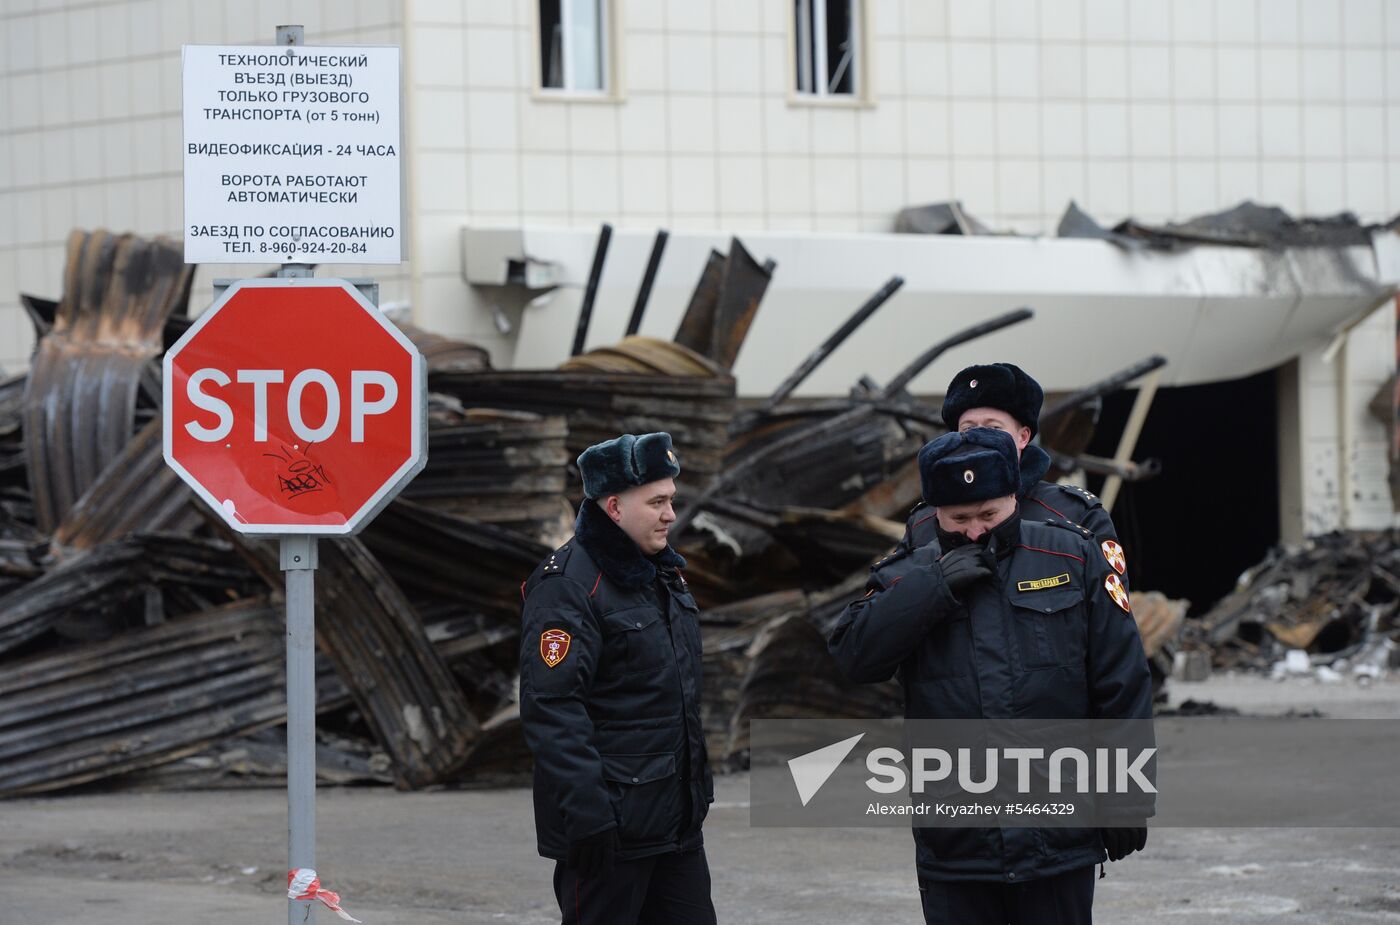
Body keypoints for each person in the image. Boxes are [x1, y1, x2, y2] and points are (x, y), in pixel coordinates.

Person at [828, 427, 1154, 925]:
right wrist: (932, 588)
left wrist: (1125, 799)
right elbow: (853, 657)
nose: (976, 531)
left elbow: (1122, 682)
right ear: (933, 511)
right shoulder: (907, 573)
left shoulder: (1072, 556)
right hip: (958, 845)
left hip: (1058, 834)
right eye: (959, 519)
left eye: (989, 515)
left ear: (1013, 498)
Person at [519, 432, 716, 925]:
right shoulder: (568, 585)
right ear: (613, 506)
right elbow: (553, 707)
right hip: (609, 834)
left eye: (671, 500)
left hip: (674, 825)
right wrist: (589, 816)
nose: (670, 514)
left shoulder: (662, 575)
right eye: (657, 502)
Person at [898, 364, 1127, 580]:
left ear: (1023, 437)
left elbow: (1108, 612)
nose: (979, 438)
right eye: (968, 429)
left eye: (993, 428)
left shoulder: (1075, 513)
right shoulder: (924, 521)